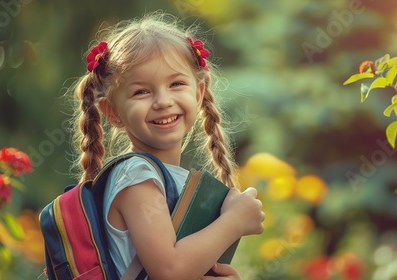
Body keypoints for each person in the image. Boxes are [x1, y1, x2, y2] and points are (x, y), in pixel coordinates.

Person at [69, 12, 264, 280]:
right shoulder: (137, 177)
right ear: (112, 111)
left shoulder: (161, 176)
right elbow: (170, 271)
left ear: (198, 94)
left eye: (176, 84)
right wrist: (234, 222)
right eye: (141, 91)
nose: (163, 101)